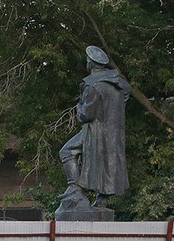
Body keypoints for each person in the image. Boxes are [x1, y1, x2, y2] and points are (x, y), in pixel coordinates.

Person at [56, 46, 131, 217]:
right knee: (106, 164)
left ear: (91, 63)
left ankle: (75, 189)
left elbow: (85, 115)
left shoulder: (93, 86)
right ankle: (102, 199)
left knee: (66, 151)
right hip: (113, 131)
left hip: (95, 132)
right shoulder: (118, 83)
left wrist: (78, 107)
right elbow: (126, 94)